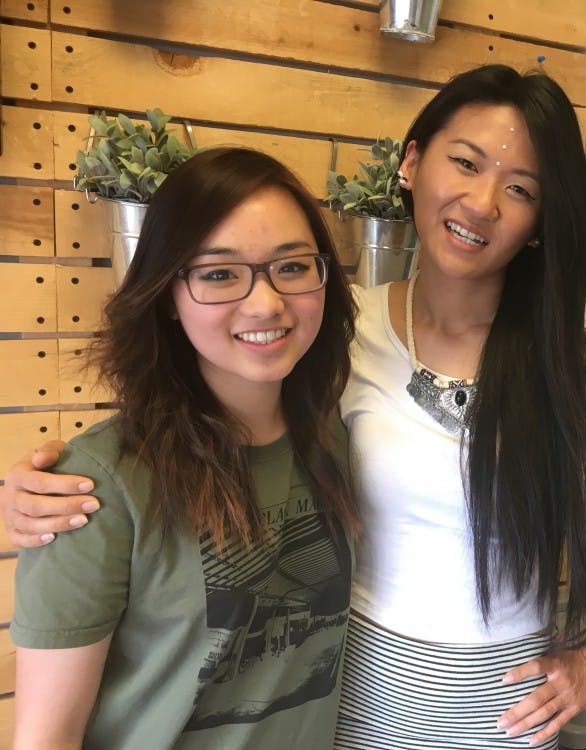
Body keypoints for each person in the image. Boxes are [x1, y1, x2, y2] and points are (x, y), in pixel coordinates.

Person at [2, 66, 586, 749]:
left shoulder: (572, 355)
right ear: (412, 163)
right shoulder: (339, 329)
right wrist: (51, 491)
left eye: (520, 188)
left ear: (542, 218)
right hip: (353, 698)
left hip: (503, 710)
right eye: (466, 162)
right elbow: (212, 412)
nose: (482, 203)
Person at [8, 147, 358, 749]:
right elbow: (46, 738)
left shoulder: (340, 438)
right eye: (219, 274)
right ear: (168, 294)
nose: (266, 302)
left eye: (292, 266)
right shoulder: (95, 485)